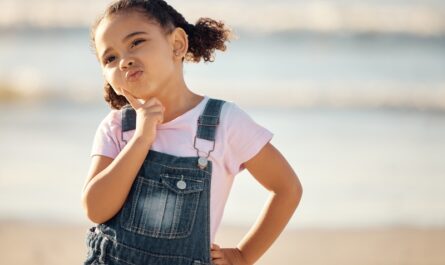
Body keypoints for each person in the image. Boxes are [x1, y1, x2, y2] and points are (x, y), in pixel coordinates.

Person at [80, 0, 303, 264]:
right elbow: (96, 209)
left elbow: (287, 188)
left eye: (136, 42)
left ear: (177, 44)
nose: (125, 61)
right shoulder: (117, 128)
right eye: (110, 58)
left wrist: (244, 255)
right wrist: (141, 138)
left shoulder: (224, 122)